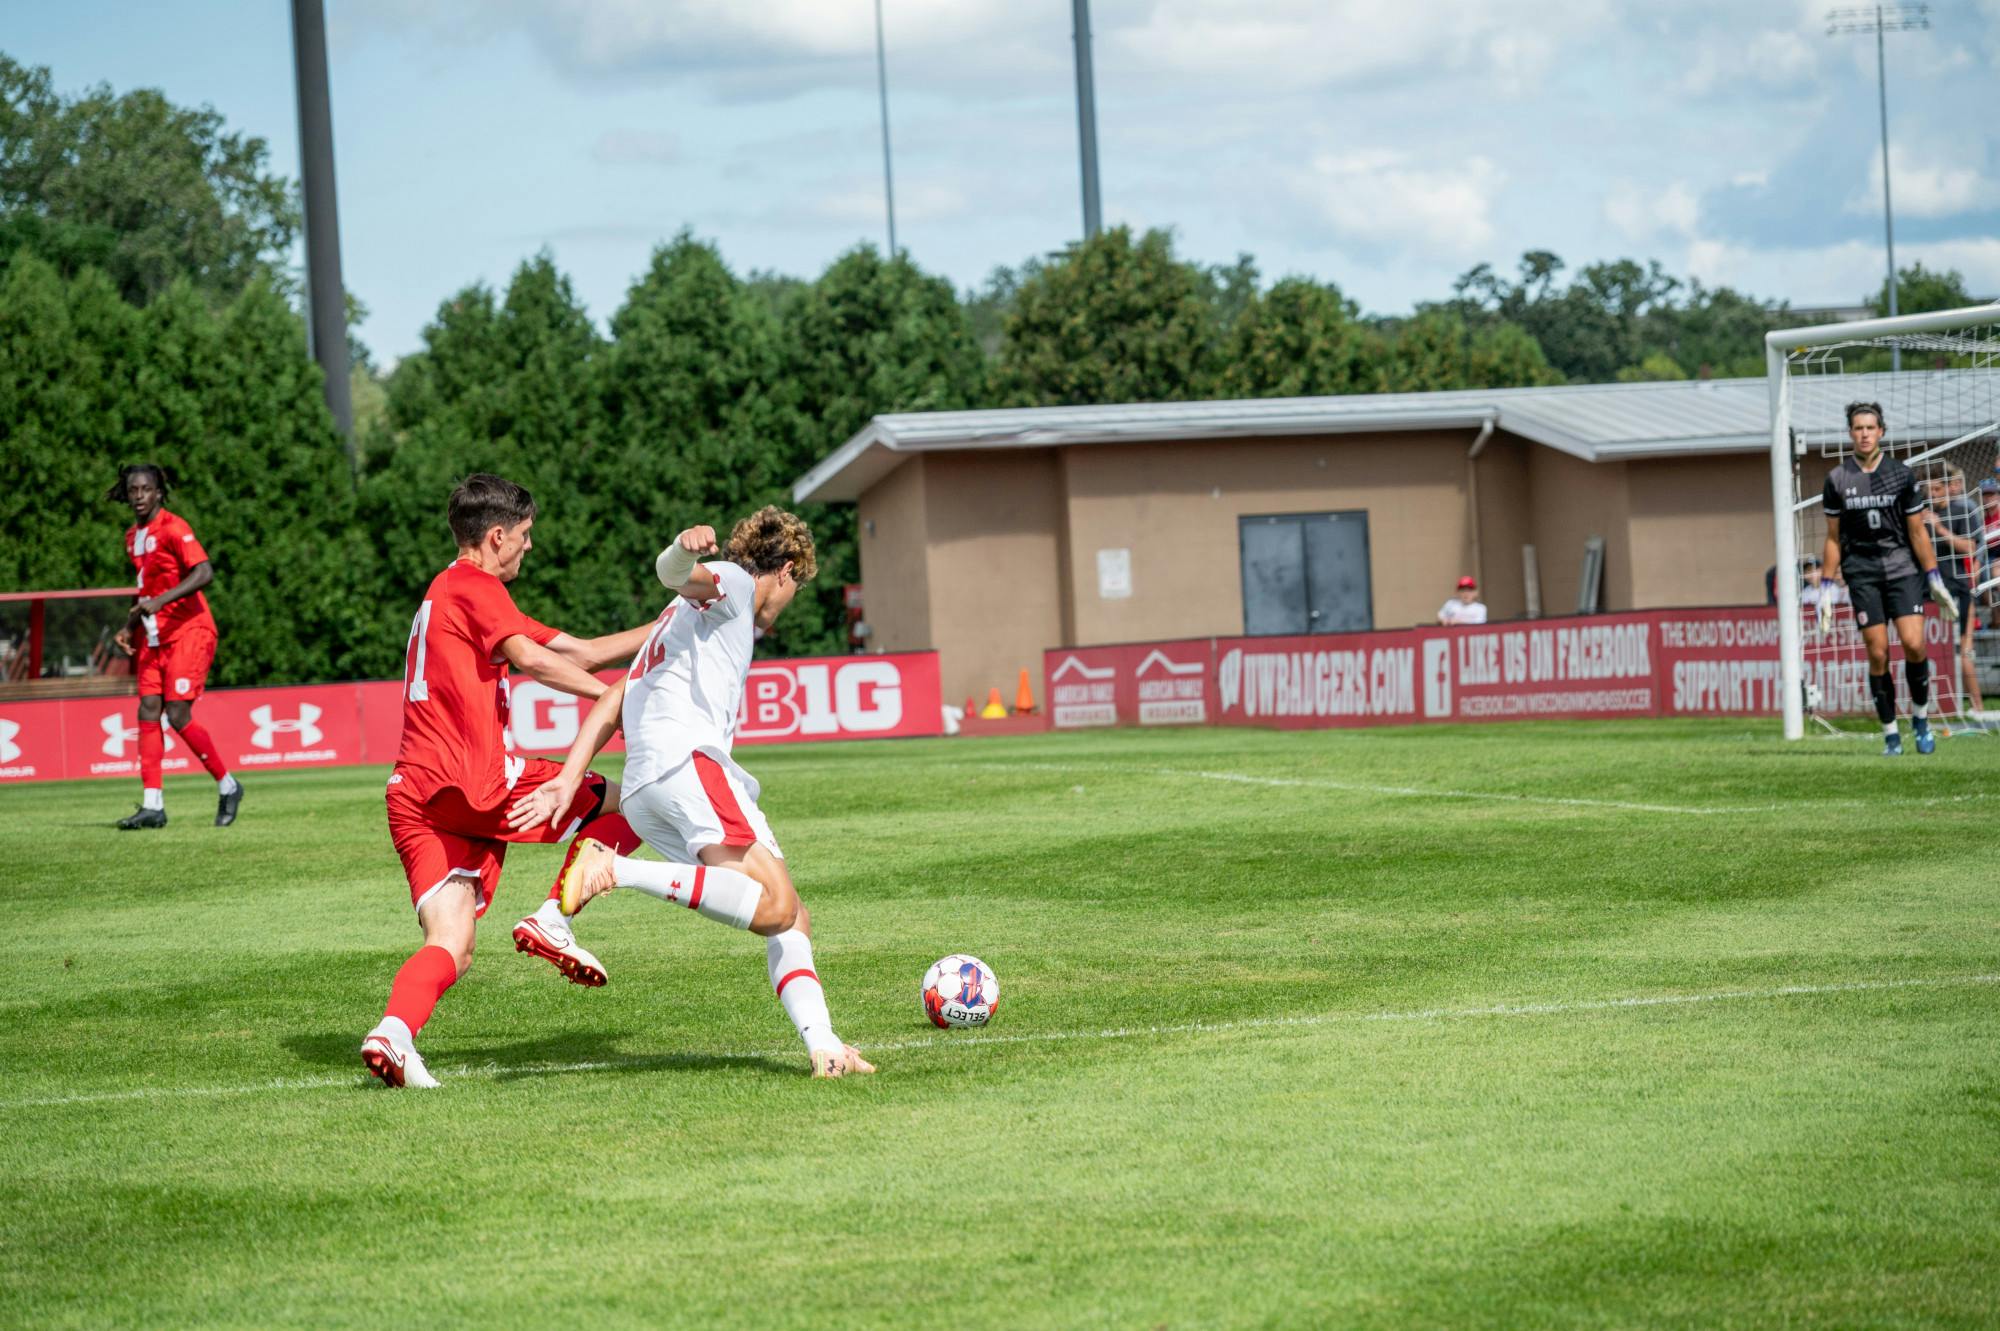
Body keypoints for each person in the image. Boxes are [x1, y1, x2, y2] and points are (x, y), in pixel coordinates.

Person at [509, 507, 876, 1079]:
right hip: (687, 766)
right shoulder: (731, 582)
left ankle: (824, 1044)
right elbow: (676, 573)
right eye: (796, 588)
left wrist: (567, 777)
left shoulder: (676, 626)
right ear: (785, 571)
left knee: (791, 915)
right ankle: (612, 869)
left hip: (648, 787)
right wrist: (683, 549)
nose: (788, 601)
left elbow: (612, 694)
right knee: (776, 906)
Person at [361, 474, 654, 1089]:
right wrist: (612, 705)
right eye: (524, 536)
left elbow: (584, 649)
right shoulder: (473, 584)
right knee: (639, 802)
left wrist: (675, 622)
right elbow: (537, 661)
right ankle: (554, 914)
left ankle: (393, 1032)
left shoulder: (455, 591)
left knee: (453, 942)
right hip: (470, 781)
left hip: (414, 795)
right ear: (496, 536)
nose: (529, 548)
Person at [108, 464, 243, 829]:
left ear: (158, 493)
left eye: (145, 489)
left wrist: (161, 601)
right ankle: (153, 805)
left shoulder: (174, 528)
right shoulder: (131, 537)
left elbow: (204, 572)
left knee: (178, 714)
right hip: (154, 637)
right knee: (148, 709)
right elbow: (146, 591)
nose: (139, 495)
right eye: (133, 489)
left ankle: (228, 786)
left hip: (190, 631)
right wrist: (128, 626)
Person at [1820, 403, 1959, 755]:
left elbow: (1917, 533)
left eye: (1870, 427)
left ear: (1881, 431)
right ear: (1850, 433)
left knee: (1914, 644)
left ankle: (1922, 720)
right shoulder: (1837, 479)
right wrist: (1824, 586)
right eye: (1858, 428)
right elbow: (1834, 538)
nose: (1864, 434)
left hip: (1902, 571)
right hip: (1862, 574)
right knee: (1877, 652)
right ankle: (1890, 733)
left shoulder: (1901, 474)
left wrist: (1934, 577)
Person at [1922, 467, 1985, 721]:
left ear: (1948, 487)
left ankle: (1978, 707)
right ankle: (1934, 707)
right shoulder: (1923, 516)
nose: (1933, 494)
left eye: (1937, 488)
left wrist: (1940, 530)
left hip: (1959, 590)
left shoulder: (1962, 510)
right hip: (1930, 592)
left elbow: (1970, 547)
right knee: (1929, 652)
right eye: (1929, 490)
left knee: (1962, 653)